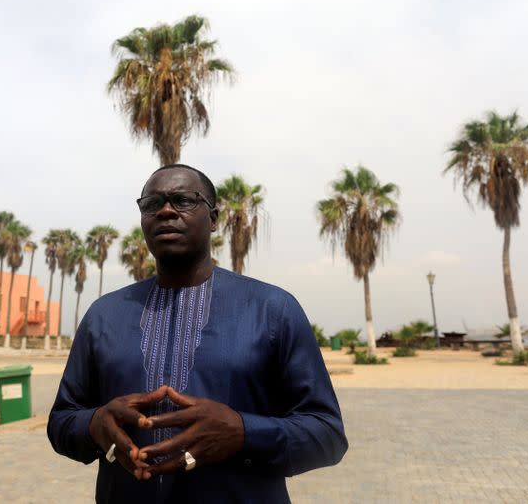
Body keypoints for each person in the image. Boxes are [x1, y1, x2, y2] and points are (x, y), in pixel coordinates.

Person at [48, 164, 347, 503]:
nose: (165, 211)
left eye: (183, 200)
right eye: (151, 203)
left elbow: (327, 434)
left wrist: (244, 433)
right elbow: (61, 420)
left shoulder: (272, 309)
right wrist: (94, 425)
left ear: (214, 217)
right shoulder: (104, 316)